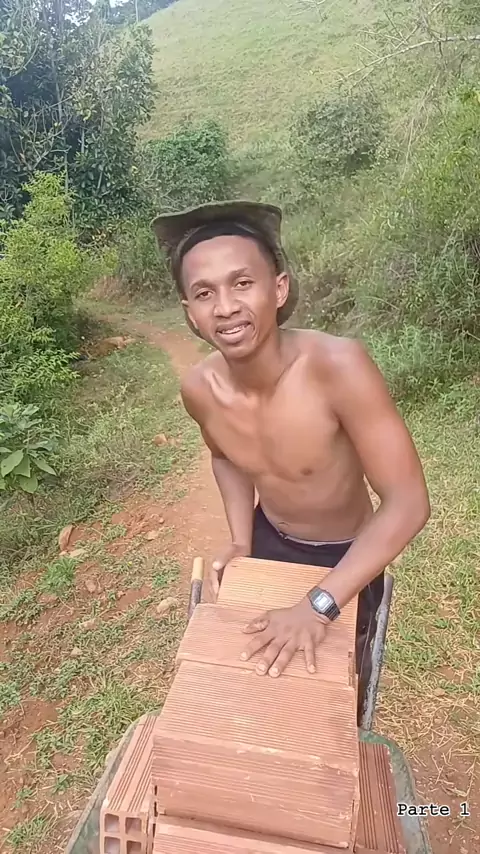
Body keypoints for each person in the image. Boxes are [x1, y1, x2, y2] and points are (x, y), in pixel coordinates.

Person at [152, 201, 430, 719]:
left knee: (334, 696)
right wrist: (241, 538)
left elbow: (408, 502)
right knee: (262, 688)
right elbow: (225, 457)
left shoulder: (338, 367)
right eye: (205, 293)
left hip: (347, 555)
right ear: (190, 312)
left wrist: (319, 605)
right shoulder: (200, 390)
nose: (226, 307)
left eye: (242, 283)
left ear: (278, 288)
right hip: (268, 541)